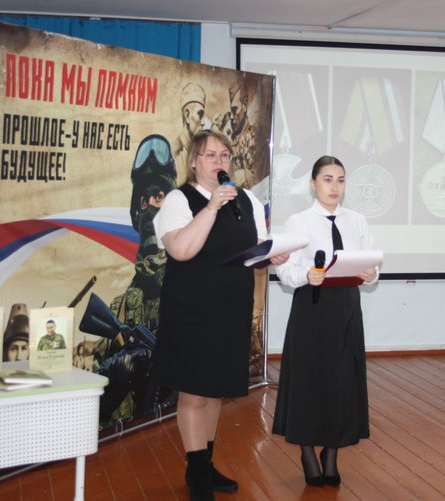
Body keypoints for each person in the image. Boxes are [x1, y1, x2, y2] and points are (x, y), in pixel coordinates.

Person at [148, 129, 288, 500]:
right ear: (194, 161)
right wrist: (211, 208)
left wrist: (270, 254)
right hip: (191, 310)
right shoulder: (179, 199)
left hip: (231, 308)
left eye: (225, 155)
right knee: (195, 392)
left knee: (214, 392)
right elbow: (181, 250)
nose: (219, 162)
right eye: (210, 155)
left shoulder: (246, 200)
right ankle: (196, 473)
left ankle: (205, 465)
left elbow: (253, 249)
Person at [272, 155, 379, 487]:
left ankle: (331, 455)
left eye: (341, 180)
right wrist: (306, 275)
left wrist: (371, 273)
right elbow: (284, 270)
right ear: (313, 183)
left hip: (347, 308)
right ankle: (307, 452)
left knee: (342, 380)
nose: (335, 187)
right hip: (312, 307)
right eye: (328, 179)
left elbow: (371, 265)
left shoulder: (357, 221)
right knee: (309, 381)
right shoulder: (298, 222)